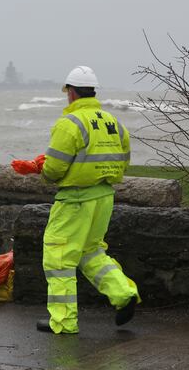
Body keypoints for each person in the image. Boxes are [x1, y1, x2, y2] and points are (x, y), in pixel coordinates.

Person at [37, 65, 139, 334]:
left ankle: (63, 321)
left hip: (75, 200)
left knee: (59, 259)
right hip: (104, 197)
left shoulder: (69, 124)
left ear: (71, 92)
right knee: (90, 252)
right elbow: (124, 159)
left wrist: (42, 169)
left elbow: (54, 169)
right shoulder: (113, 122)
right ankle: (123, 294)